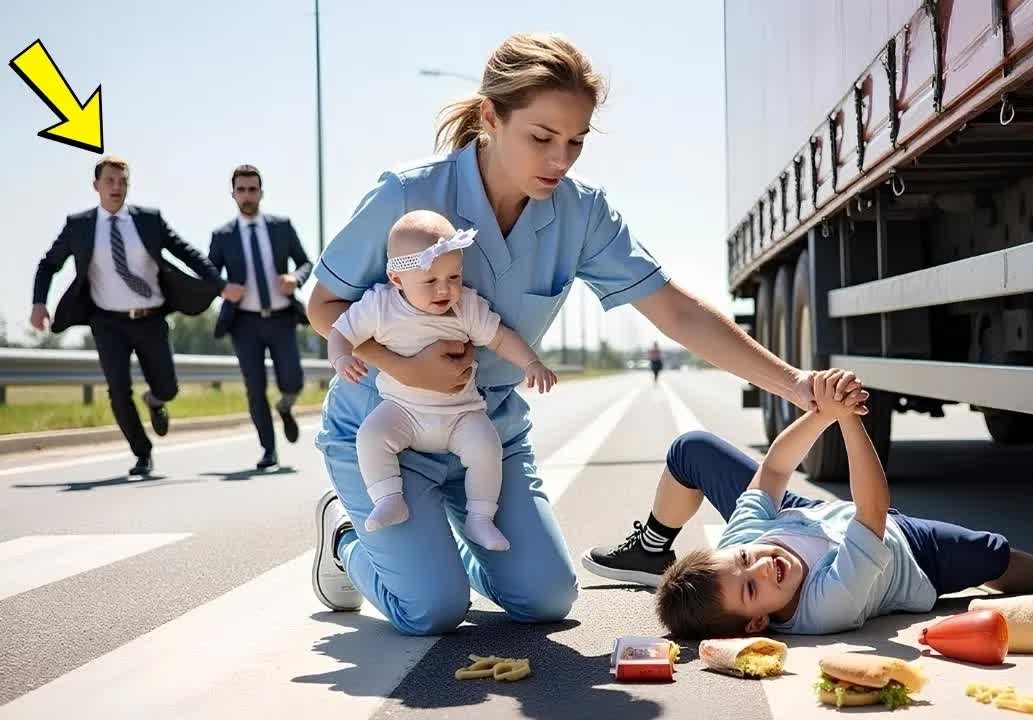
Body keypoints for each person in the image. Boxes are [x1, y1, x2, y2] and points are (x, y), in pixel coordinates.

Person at [304, 33, 857, 633]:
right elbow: (324, 304)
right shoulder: (409, 195)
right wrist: (401, 365)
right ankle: (347, 541)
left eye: (576, 142)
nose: (559, 161)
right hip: (386, 427)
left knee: (546, 601)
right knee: (429, 610)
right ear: (491, 117)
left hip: (481, 429)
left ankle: (438, 552)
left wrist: (795, 383)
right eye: (541, 138)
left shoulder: (581, 212)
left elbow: (677, 312)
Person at [583, 369, 1033, 639]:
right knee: (994, 556)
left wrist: (821, 413)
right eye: (753, 585)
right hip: (901, 550)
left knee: (693, 449)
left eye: (744, 561)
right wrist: (851, 422)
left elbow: (776, 469)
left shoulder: (744, 549)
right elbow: (873, 510)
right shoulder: (825, 607)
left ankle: (652, 548)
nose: (759, 564)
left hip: (811, 518)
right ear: (760, 620)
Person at [326, 210, 558, 551]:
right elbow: (340, 331)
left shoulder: (466, 306)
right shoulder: (379, 306)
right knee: (371, 435)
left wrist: (531, 362)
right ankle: (389, 497)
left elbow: (500, 337)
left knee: (486, 447)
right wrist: (342, 357)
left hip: (461, 413)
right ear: (397, 278)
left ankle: (480, 518)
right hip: (403, 410)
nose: (444, 289)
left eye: (454, 276)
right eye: (430, 281)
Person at [30, 156, 231, 476]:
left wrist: (220, 285)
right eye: (109, 181)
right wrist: (39, 303)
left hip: (150, 317)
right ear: (96, 185)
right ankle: (142, 453)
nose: (117, 187)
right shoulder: (79, 225)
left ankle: (155, 400)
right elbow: (48, 264)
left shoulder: (148, 220)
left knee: (168, 388)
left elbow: (186, 252)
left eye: (123, 181)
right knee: (117, 390)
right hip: (107, 321)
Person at [208, 165, 313, 470]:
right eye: (241, 190)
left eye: (252, 189)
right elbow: (210, 274)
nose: (247, 195)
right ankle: (269, 450)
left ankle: (286, 405)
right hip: (244, 323)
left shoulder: (281, 226)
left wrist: (295, 278)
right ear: (233, 194)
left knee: (292, 381)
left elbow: (305, 261)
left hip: (281, 318)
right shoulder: (222, 235)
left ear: (261, 192)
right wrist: (224, 289)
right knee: (255, 388)